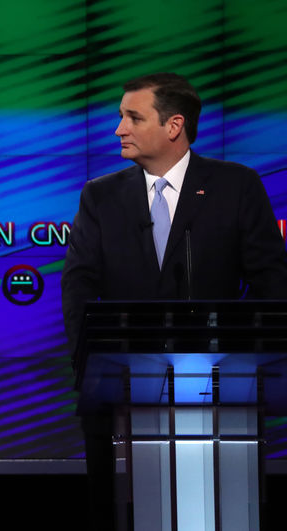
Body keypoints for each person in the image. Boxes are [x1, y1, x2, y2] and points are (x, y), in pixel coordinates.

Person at [61, 72, 287, 529]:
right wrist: (87, 360)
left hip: (220, 386)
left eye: (132, 117)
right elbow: (79, 285)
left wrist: (259, 358)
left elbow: (272, 280)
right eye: (120, 117)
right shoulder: (100, 196)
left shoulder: (235, 186)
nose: (119, 128)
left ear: (173, 125)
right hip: (120, 384)